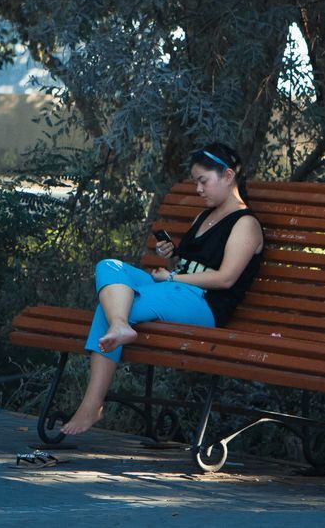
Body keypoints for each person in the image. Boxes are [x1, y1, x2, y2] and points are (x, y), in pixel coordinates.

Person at [59, 143, 264, 436]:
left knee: (110, 306)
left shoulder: (246, 223)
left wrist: (171, 279)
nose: (198, 189)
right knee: (109, 266)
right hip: (176, 291)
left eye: (203, 181)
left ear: (228, 175)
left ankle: (92, 405)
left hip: (205, 304)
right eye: (196, 182)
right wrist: (170, 257)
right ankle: (119, 325)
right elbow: (188, 265)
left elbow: (225, 279)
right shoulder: (203, 217)